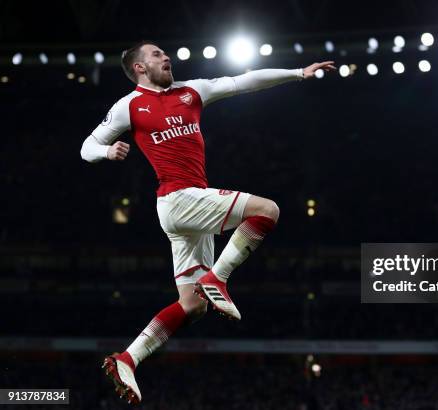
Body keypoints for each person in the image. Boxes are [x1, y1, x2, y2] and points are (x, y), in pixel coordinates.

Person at [80, 40, 336, 405]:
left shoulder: (192, 91)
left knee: (193, 305)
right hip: (178, 198)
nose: (165, 56)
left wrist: (298, 73)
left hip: (189, 210)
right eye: (155, 54)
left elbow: (245, 81)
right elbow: (87, 145)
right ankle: (219, 277)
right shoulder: (129, 106)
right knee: (268, 210)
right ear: (138, 67)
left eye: (163, 53)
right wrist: (107, 150)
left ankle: (128, 358)